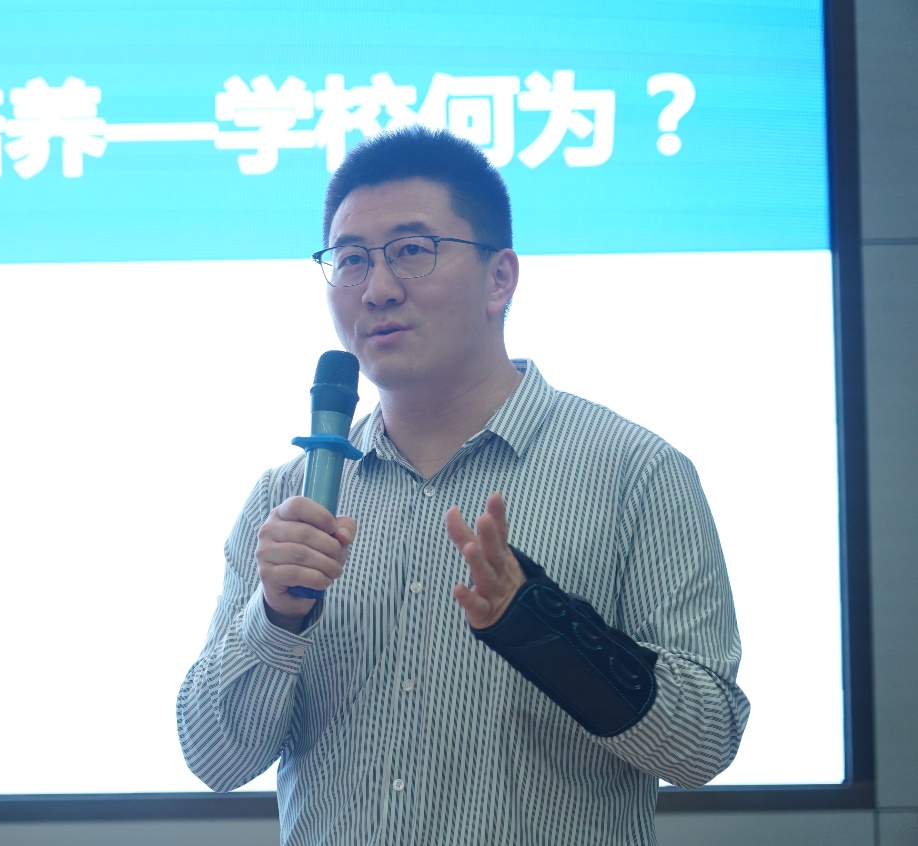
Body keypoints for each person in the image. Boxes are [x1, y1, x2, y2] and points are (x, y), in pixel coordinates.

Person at [177, 126, 749, 846]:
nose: (377, 290)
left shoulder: (635, 474)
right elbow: (216, 758)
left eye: (412, 251)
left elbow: (705, 745)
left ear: (500, 278)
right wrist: (277, 618)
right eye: (351, 260)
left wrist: (549, 630)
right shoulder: (285, 501)